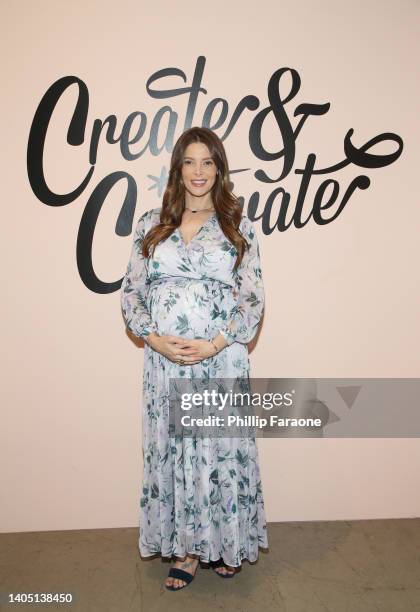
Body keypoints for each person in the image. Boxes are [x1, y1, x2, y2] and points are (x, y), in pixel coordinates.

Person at [120, 126, 269, 591]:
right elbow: (130, 294)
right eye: (190, 161)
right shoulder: (151, 224)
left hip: (219, 361)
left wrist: (217, 342)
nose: (199, 171)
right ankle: (185, 551)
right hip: (164, 365)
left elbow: (253, 299)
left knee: (218, 453)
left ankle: (225, 544)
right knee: (176, 452)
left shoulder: (237, 226)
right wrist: (154, 339)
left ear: (219, 169)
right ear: (177, 169)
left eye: (208, 162)